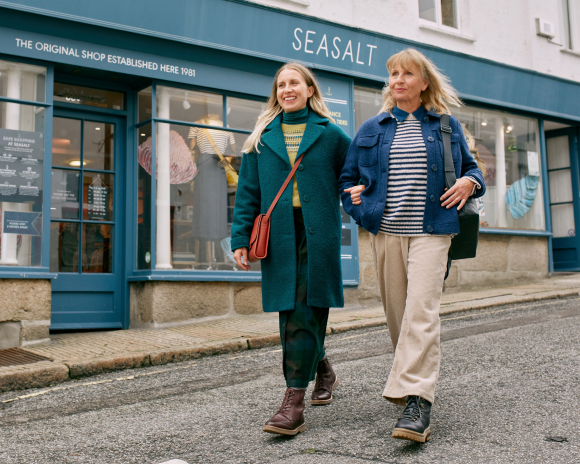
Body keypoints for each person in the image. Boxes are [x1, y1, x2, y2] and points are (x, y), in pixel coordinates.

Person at [339, 48, 485, 443]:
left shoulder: (445, 125)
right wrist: (355, 201)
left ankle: (418, 400)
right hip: (386, 231)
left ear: (423, 82)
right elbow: (347, 180)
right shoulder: (372, 128)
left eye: (407, 74)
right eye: (393, 74)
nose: (398, 80)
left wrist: (469, 183)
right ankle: (410, 389)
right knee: (399, 316)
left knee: (421, 309)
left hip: (432, 230)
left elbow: (473, 170)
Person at [230, 62, 351, 436]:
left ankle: (293, 400)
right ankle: (323, 368)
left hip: (319, 235)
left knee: (306, 309)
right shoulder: (262, 137)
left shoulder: (332, 135)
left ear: (309, 90)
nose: (287, 89)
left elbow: (354, 179)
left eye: (294, 83)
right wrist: (239, 240)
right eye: (281, 85)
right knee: (294, 312)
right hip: (279, 234)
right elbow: (248, 192)